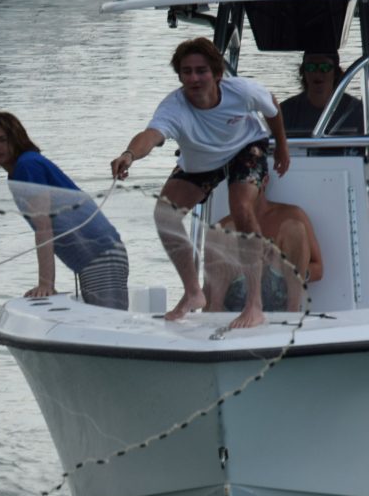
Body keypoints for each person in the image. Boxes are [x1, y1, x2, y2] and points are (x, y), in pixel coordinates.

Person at [110, 36, 289, 329]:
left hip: (246, 146)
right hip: (202, 161)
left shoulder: (242, 91)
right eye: (187, 71)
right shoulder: (173, 107)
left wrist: (282, 145)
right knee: (165, 215)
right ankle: (193, 292)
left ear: (217, 74)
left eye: (201, 70)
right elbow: (151, 136)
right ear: (180, 76)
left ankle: (254, 304)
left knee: (241, 208)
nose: (194, 78)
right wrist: (129, 155)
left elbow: (272, 107)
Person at [0, 111, 129, 309]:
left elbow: (44, 227)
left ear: (15, 139)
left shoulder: (27, 166)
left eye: (2, 140)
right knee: (104, 326)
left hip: (100, 256)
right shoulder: (21, 170)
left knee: (110, 328)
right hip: (97, 256)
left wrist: (46, 284)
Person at [204, 174, 322, 313]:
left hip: (279, 292)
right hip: (237, 298)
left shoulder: (292, 214)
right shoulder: (224, 224)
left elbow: (318, 269)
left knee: (294, 228)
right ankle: (215, 312)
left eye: (247, 182)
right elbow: (209, 282)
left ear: (264, 181)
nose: (241, 189)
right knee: (224, 231)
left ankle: (293, 313)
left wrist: (287, 267)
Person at [280, 50, 363, 137]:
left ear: (335, 72)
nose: (317, 73)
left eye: (325, 67)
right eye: (310, 67)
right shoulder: (284, 112)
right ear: (303, 72)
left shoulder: (359, 111)